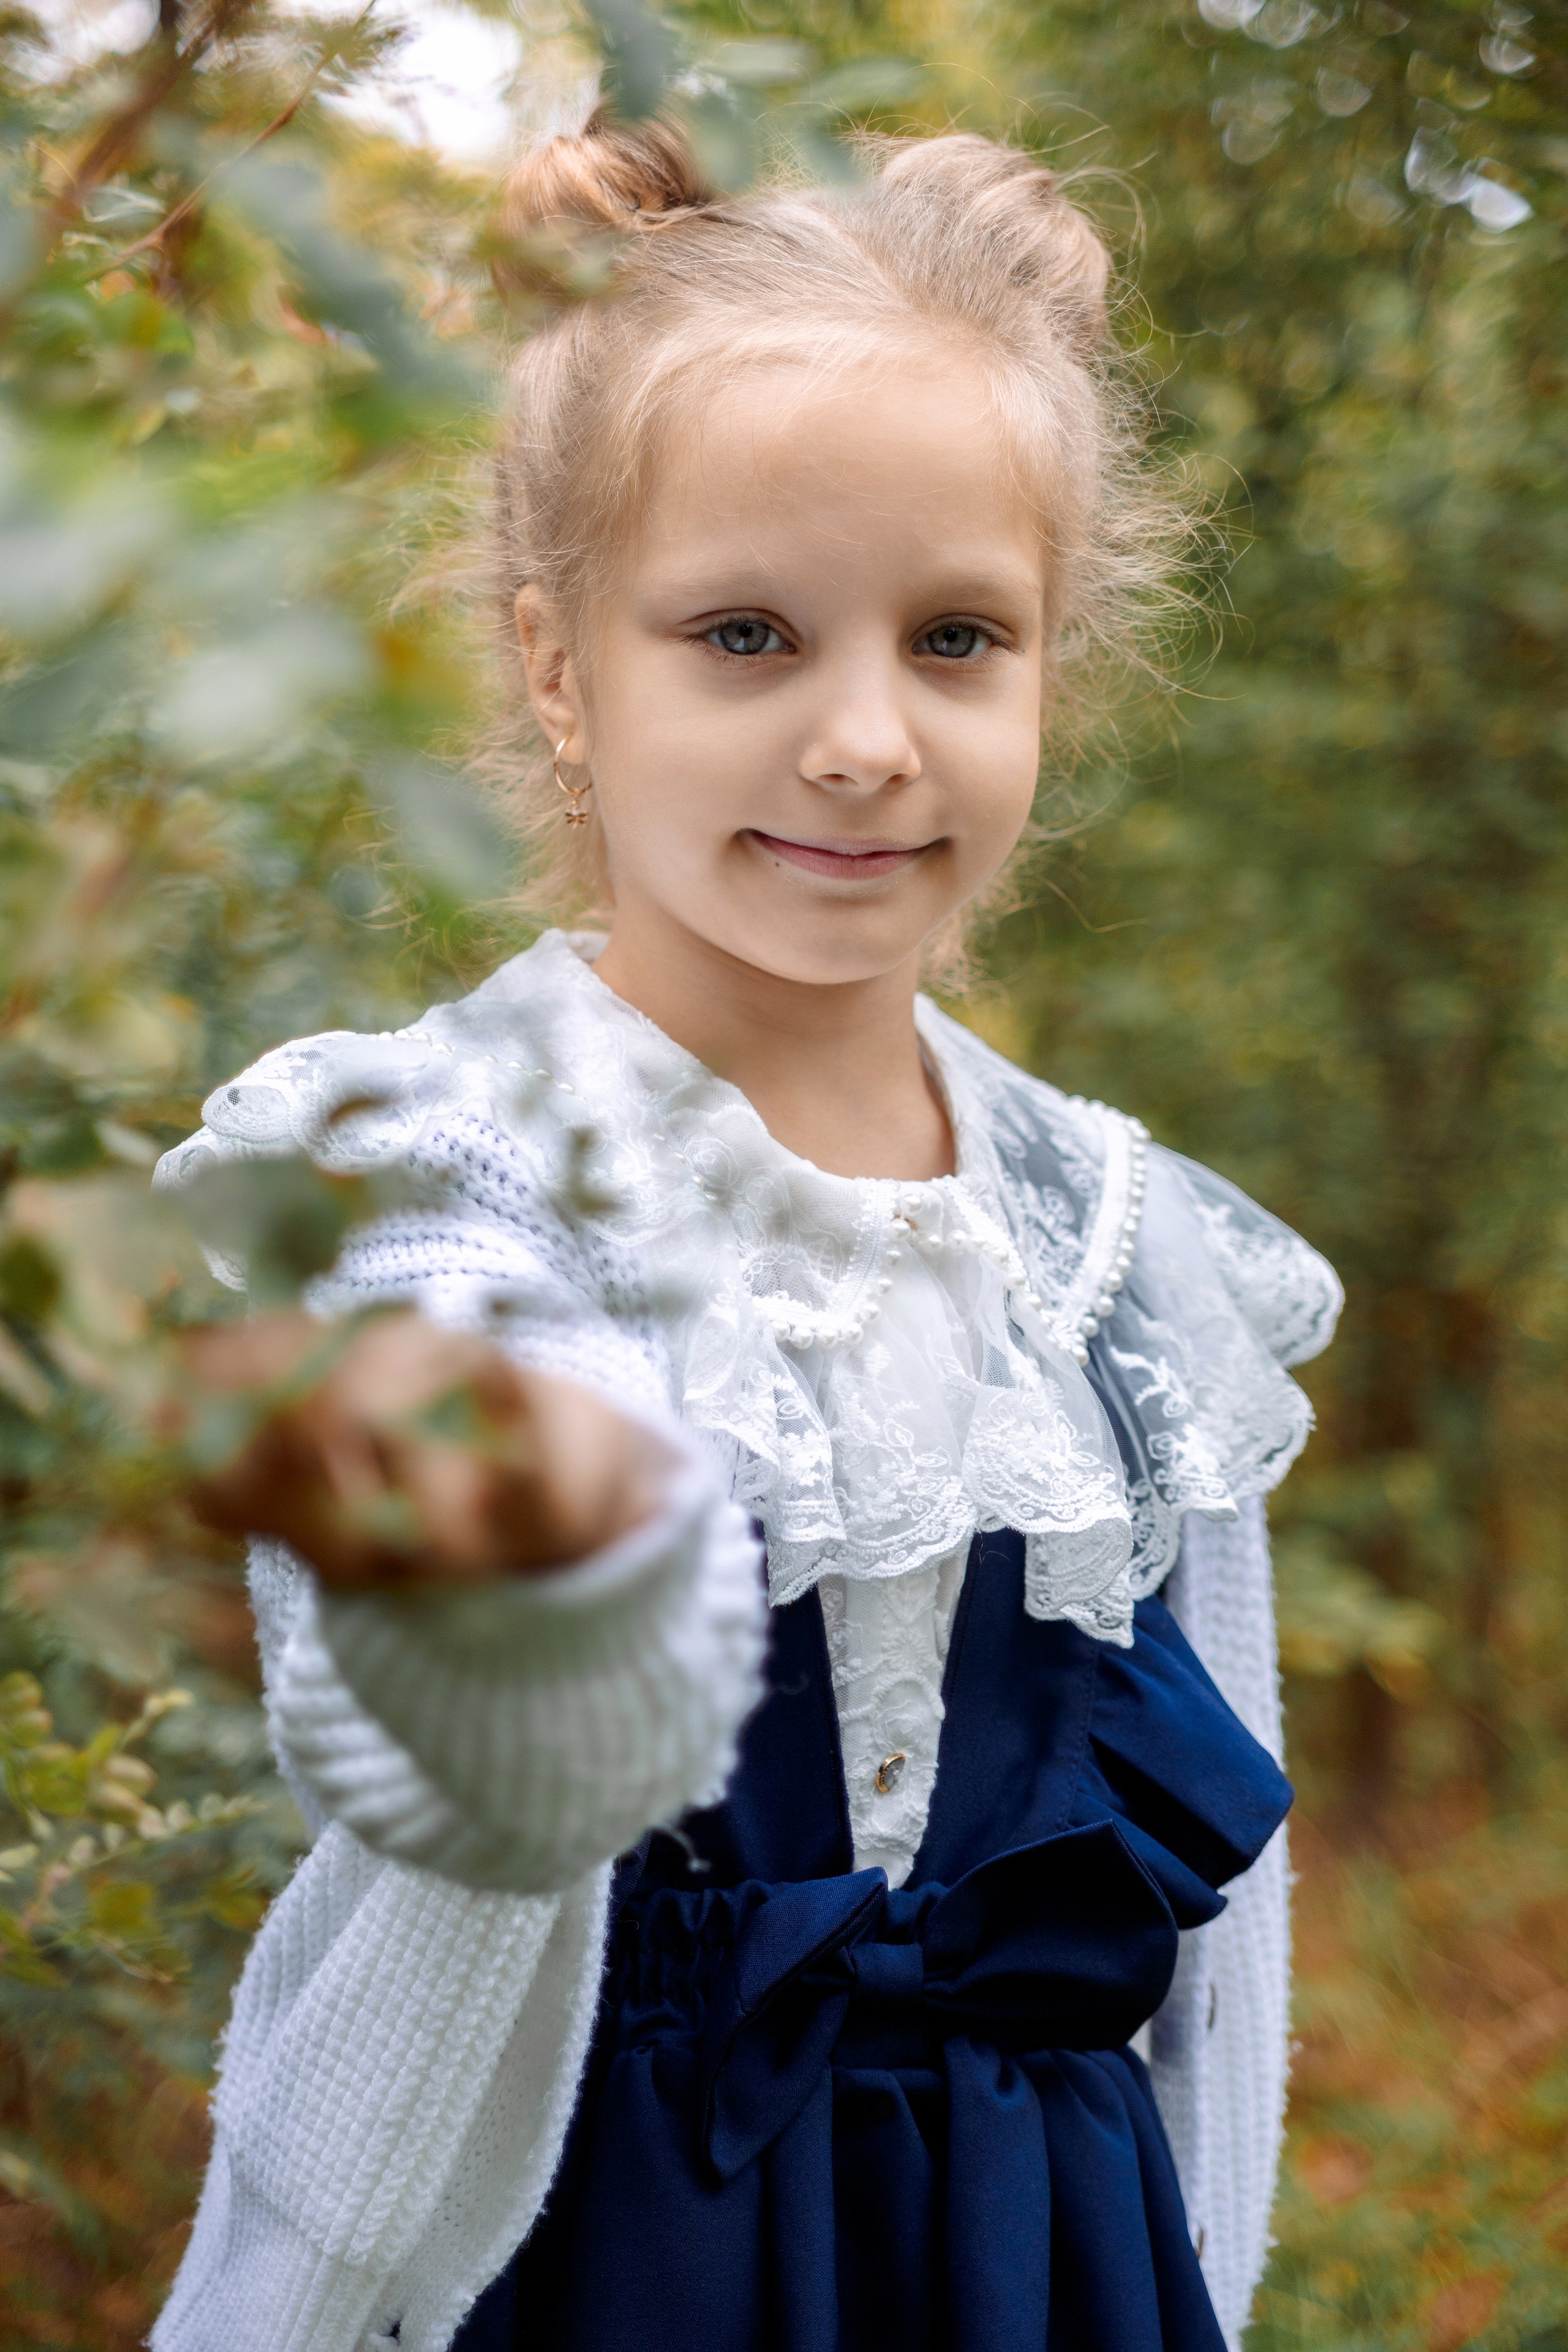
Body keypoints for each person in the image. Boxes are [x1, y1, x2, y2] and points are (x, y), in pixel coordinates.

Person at [149, 111, 1341, 2352]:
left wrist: (1204, 2259)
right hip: (592, 2239)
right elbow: (439, 1726)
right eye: (747, 636)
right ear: (561, 669)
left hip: (1042, 2253)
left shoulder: (1114, 1238)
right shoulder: (434, 1170)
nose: (866, 740)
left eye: (958, 637)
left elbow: (1220, 1935)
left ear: (1052, 671)